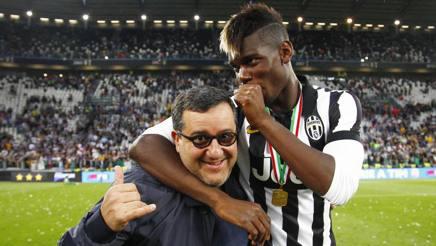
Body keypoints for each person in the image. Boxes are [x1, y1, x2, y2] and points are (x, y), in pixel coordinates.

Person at [129, 3, 364, 246]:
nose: (242, 75)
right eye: (236, 66)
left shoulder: (337, 104)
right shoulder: (232, 111)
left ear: (284, 52)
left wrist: (263, 121)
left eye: (252, 61)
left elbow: (340, 188)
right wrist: (219, 200)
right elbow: (143, 146)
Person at [59, 87, 249, 245]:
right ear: (177, 140)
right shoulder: (141, 191)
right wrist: (100, 226)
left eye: (225, 137)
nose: (215, 152)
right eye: (200, 139)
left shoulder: (246, 184)